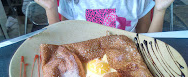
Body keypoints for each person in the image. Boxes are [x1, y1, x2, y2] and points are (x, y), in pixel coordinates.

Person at [34, 0, 174, 33]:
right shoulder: (71, 1)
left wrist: (159, 10)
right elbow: (64, 37)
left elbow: (147, 40)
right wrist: (51, 8)